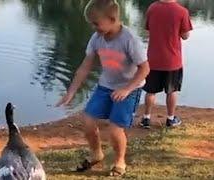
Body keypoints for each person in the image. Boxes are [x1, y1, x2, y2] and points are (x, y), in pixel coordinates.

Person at [56, 0, 149, 176]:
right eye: (91, 23)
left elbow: (145, 68)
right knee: (88, 120)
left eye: (96, 23)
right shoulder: (97, 39)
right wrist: (71, 92)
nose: (93, 27)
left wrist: (127, 89)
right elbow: (85, 66)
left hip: (129, 88)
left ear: (112, 19)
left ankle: (120, 160)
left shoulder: (130, 40)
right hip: (105, 86)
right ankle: (96, 153)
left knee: (115, 129)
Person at [140, 0, 193, 129]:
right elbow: (185, 36)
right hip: (172, 61)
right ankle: (170, 119)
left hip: (153, 59)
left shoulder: (152, 8)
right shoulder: (182, 11)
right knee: (172, 90)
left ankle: (146, 118)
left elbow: (148, 29)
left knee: (150, 90)